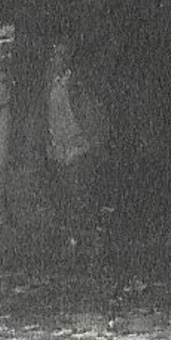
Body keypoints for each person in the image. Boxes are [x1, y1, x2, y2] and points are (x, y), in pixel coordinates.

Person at [45, 38, 109, 258]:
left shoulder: (78, 85)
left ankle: (88, 242)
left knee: (80, 195)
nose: (56, 60)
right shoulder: (50, 84)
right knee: (63, 197)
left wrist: (90, 142)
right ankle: (70, 241)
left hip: (77, 147)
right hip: (58, 147)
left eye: (61, 56)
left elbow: (89, 116)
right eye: (53, 55)